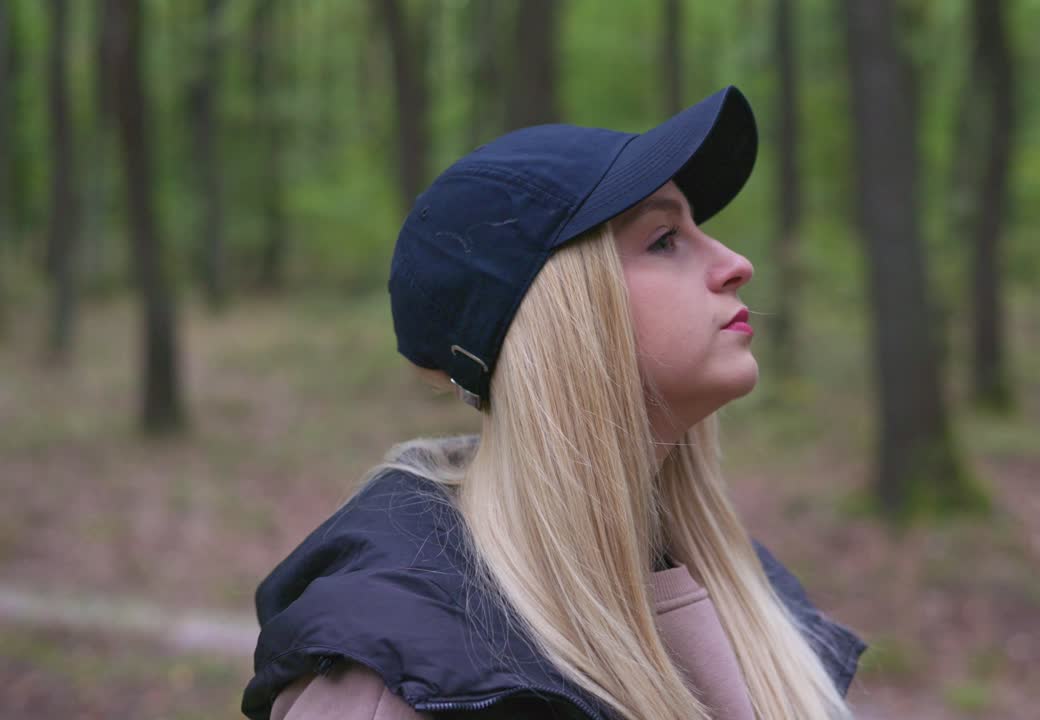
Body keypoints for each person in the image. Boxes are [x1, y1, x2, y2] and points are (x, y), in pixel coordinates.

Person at [241, 86, 865, 720]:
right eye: (663, 240)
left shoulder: (745, 596)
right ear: (554, 317)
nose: (736, 263)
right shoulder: (403, 679)